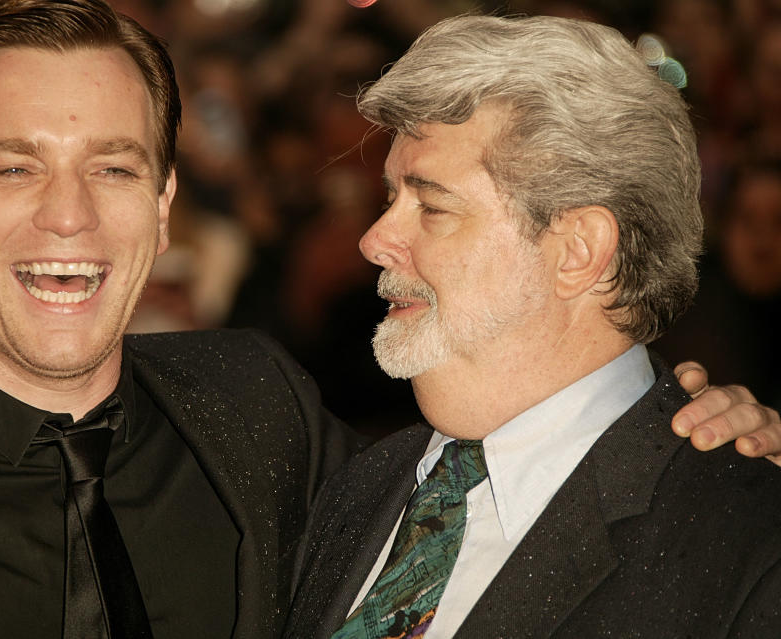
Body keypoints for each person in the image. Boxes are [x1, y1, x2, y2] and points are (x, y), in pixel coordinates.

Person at [0, 2, 774, 638]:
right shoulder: (366, 478)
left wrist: (709, 438)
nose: (68, 215)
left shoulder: (259, 416)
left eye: (113, 167)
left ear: (163, 208)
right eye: (12, 167)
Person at [285, 15, 781, 639]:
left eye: (431, 206)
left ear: (578, 250)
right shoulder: (354, 492)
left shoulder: (746, 545)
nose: (375, 239)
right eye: (390, 199)